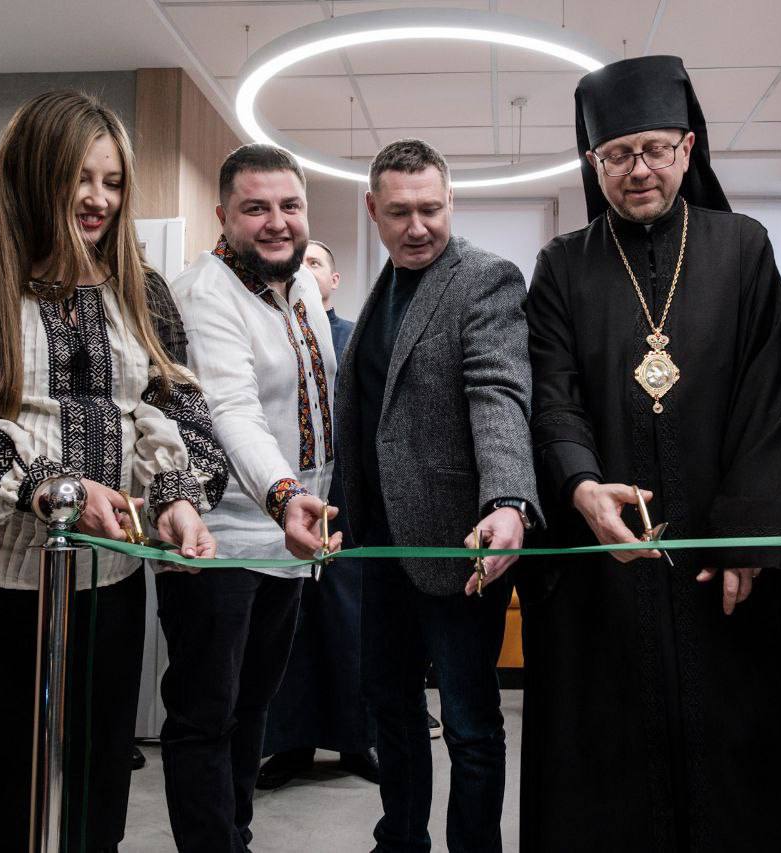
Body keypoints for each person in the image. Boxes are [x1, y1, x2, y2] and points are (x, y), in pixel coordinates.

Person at [0, 90, 224, 853]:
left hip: (103, 593)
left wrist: (177, 495)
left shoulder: (141, 288)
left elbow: (176, 404)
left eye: (113, 182)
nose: (98, 199)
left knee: (86, 799)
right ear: (33, 174)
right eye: (78, 178)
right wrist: (50, 487)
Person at [520, 55, 781, 851]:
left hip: (722, 559)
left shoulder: (742, 246)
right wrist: (581, 485)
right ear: (593, 163)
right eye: (618, 154)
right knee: (612, 749)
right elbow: (552, 392)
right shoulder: (562, 263)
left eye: (653, 149)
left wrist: (746, 534)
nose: (638, 169)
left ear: (687, 148)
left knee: (734, 749)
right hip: (605, 563)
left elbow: (768, 395)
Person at [301, 137, 540, 853]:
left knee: (469, 723)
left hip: (460, 544)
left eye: (431, 209)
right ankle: (399, 840)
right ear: (372, 209)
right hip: (379, 546)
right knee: (390, 707)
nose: (417, 226)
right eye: (400, 212)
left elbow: (499, 393)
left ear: (450, 202)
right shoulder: (383, 289)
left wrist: (507, 500)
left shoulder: (485, 279)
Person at [165, 143, 339, 852]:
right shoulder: (205, 293)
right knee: (206, 713)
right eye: (256, 208)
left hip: (287, 540)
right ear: (223, 215)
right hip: (219, 539)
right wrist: (286, 494)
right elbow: (230, 410)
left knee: (254, 705)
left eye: (290, 206)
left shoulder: (298, 285)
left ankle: (234, 833)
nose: (277, 222)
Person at [257, 238, 379, 790]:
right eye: (300, 262)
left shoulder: (356, 339)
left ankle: (357, 741)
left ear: (333, 280)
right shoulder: (272, 334)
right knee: (291, 623)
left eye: (317, 263)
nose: (305, 270)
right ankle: (290, 745)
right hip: (280, 496)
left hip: (346, 500)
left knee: (348, 622)